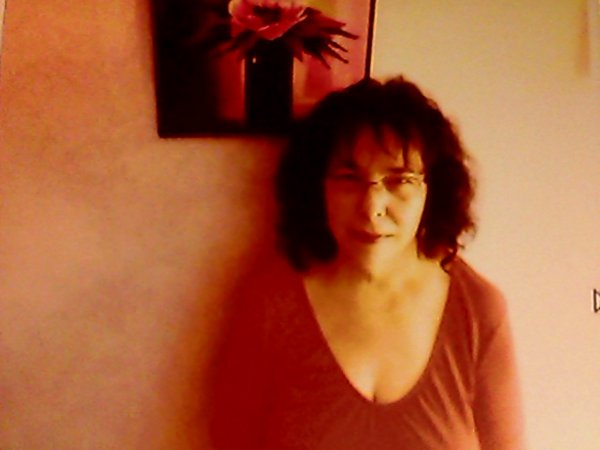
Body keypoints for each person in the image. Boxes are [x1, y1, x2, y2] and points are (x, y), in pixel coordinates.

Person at [208, 76, 525, 449]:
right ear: (317, 188)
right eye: (349, 178)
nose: (372, 207)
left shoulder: (478, 310)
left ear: (432, 189)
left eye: (399, 180)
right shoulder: (270, 306)